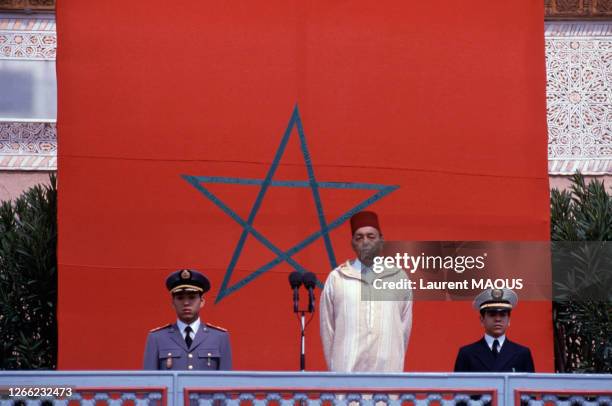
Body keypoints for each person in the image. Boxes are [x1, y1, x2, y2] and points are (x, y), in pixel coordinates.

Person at [319, 211, 412, 372]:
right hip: (346, 379)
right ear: (352, 244)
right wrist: (336, 372)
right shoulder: (338, 278)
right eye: (359, 237)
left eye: (371, 236)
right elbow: (328, 330)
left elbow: (403, 329)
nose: (365, 242)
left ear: (381, 241)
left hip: (387, 378)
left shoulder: (398, 277)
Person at [143, 269, 232, 370]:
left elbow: (226, 382)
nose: (186, 303)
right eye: (180, 298)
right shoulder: (157, 338)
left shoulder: (219, 337)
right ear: (173, 303)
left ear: (202, 301)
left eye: (192, 297)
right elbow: (150, 383)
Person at [454, 288, 535, 372]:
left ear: (509, 320)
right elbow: (458, 385)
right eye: (492, 314)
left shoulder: (522, 354)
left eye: (503, 315)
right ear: (482, 319)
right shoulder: (467, 354)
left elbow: (529, 385)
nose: (498, 319)